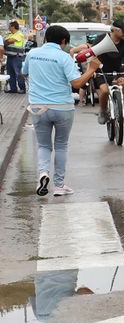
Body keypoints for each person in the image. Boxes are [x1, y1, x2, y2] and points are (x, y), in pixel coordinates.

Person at [25, 24, 96, 196]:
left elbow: (24, 72)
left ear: (46, 38)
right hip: (62, 107)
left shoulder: (32, 53)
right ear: (64, 41)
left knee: (43, 145)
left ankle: (43, 173)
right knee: (61, 145)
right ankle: (59, 186)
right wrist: (91, 69)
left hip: (38, 107)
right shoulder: (64, 57)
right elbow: (77, 83)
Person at [90, 18, 124, 126]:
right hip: (101, 70)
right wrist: (92, 70)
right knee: (104, 91)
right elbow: (93, 55)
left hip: (118, 70)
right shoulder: (101, 38)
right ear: (116, 30)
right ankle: (103, 111)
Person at [5, 21, 27, 94]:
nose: (8, 28)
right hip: (10, 56)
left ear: (13, 27)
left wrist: (7, 41)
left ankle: (22, 88)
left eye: (9, 26)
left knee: (18, 73)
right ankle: (13, 89)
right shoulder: (10, 34)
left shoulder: (19, 34)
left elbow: (9, 41)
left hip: (17, 57)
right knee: (10, 73)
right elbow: (5, 41)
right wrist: (7, 41)